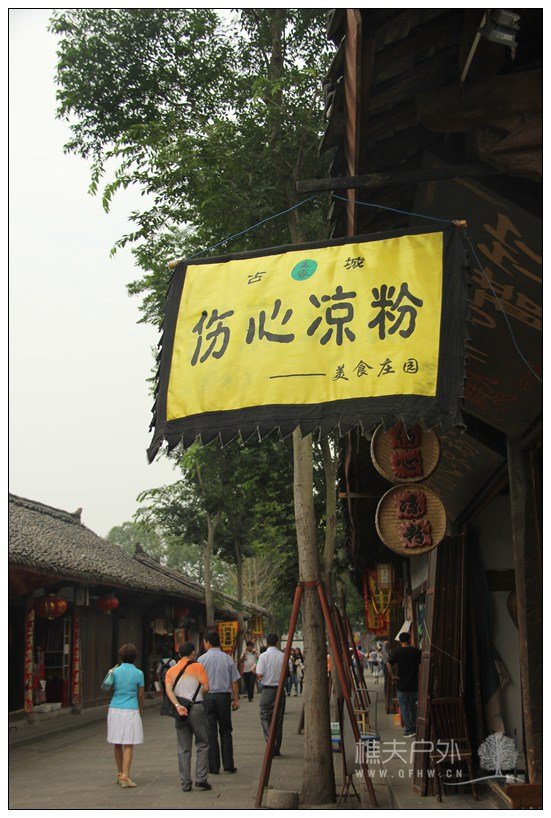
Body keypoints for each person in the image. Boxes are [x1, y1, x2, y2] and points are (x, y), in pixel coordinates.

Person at [164, 641, 211, 793]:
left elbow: (169, 691)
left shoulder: (171, 670)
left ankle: (185, 782)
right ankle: (201, 778)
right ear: (192, 653)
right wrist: (196, 695)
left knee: (183, 747)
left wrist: (178, 705)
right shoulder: (198, 667)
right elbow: (206, 687)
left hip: (180, 711)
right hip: (196, 707)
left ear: (179, 654)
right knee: (203, 742)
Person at [198, 630, 241, 775]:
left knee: (210, 732)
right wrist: (236, 700)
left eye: (204, 642)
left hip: (207, 698)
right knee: (226, 731)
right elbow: (234, 681)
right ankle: (228, 765)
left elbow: (197, 682)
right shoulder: (227, 659)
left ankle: (213, 766)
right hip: (224, 697)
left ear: (208, 643)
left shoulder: (201, 660)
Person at [106, 643, 144, 788]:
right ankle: (125, 775)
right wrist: (141, 708)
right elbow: (141, 695)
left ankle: (120, 772)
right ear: (135, 657)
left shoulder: (115, 671)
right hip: (130, 708)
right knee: (128, 743)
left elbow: (107, 687)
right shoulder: (138, 673)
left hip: (115, 707)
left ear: (121, 656)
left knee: (117, 742)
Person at [255, 633, 286, 757]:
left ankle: (270, 742)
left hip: (267, 690)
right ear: (277, 642)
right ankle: (276, 747)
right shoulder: (283, 655)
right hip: (280, 690)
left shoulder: (263, 656)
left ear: (266, 642)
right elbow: (288, 671)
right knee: (278, 718)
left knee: (265, 716)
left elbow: (259, 674)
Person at [387, 632, 421, 738]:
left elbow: (388, 664)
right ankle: (414, 729)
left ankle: (408, 731)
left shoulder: (398, 652)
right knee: (413, 708)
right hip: (414, 685)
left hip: (402, 686)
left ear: (400, 641)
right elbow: (422, 663)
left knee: (404, 708)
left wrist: (393, 676)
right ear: (409, 640)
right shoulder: (415, 651)